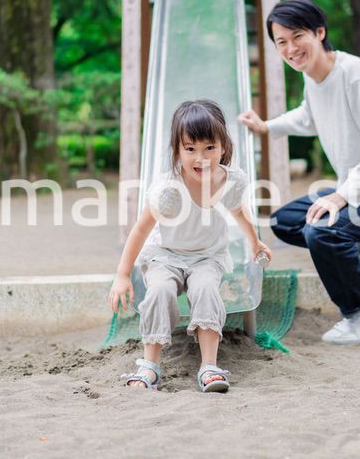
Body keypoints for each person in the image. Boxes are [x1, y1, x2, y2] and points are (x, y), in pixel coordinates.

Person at [238, 0, 360, 346]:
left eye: (298, 37)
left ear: (320, 32)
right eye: (281, 42)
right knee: (285, 222)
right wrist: (266, 127)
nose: (291, 48)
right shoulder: (314, 78)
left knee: (321, 232)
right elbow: (307, 116)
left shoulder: (354, 74)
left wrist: (341, 196)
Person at [108, 99, 271, 392]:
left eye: (210, 147)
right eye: (190, 149)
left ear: (224, 147)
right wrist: (122, 274)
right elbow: (140, 229)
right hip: (165, 256)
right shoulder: (169, 191)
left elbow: (238, 212)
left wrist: (255, 241)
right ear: (178, 150)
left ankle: (209, 366)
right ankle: (151, 366)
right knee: (159, 290)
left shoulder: (232, 181)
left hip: (207, 257)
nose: (201, 158)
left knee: (206, 289)